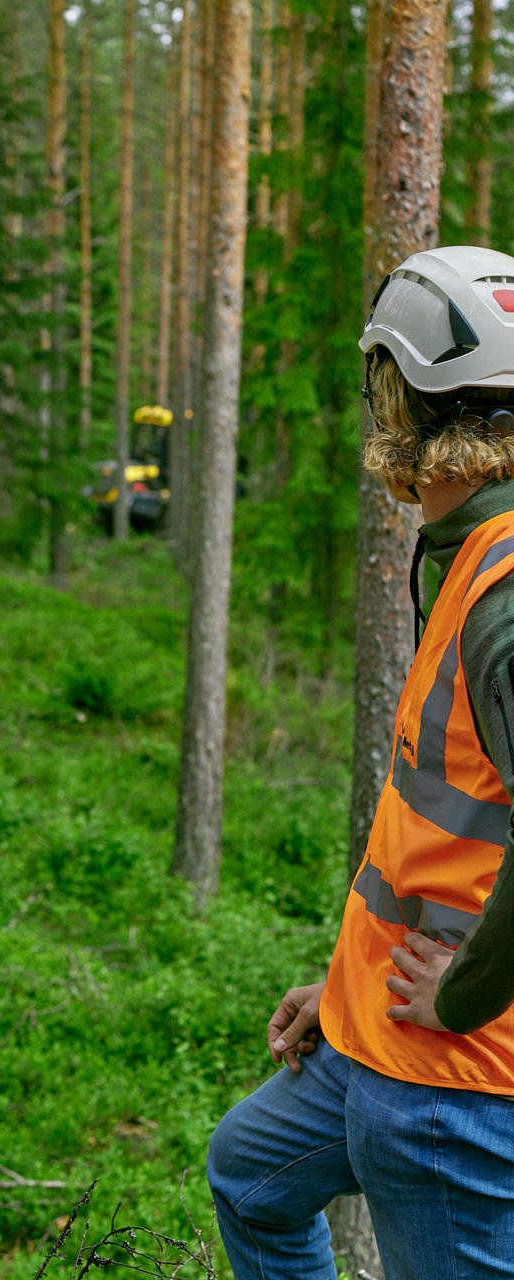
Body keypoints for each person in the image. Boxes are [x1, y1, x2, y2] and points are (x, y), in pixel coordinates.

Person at [207, 245, 514, 1280]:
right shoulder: (467, 550)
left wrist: (463, 994)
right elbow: (446, 831)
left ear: (401, 401)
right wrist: (345, 990)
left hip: (455, 1079)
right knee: (249, 1175)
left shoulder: (505, 596)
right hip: (381, 1027)